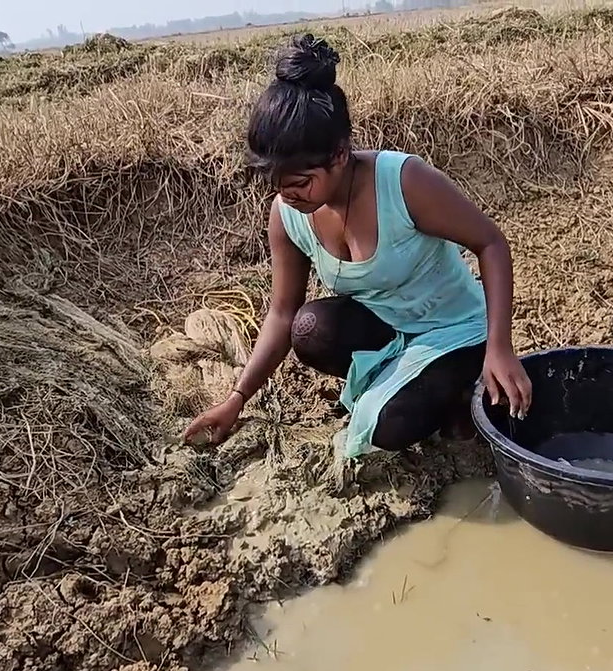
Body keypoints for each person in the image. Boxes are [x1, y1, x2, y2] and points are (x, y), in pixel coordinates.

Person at [184, 33, 533, 459]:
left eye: (300, 183)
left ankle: (462, 389)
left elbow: (491, 242)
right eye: (276, 184)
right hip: (389, 329)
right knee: (309, 330)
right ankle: (413, 387)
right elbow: (282, 312)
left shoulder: (403, 182)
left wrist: (500, 347)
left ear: (340, 153)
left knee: (385, 428)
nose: (289, 195)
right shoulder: (287, 212)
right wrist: (237, 399)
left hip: (456, 331)